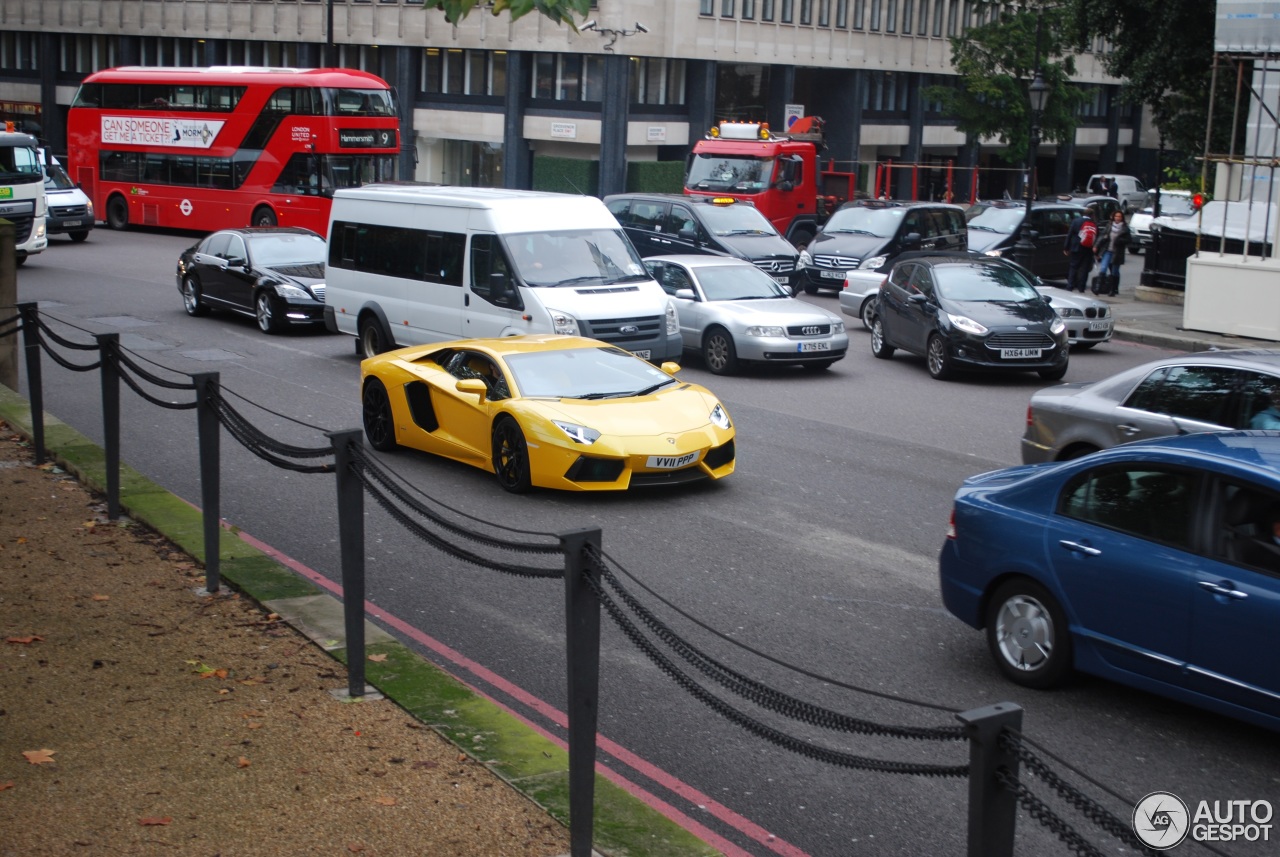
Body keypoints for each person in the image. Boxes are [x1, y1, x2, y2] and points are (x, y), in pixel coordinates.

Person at [1092, 209, 1130, 296]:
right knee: (1103, 268)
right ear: (1113, 217)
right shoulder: (1109, 226)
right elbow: (1102, 236)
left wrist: (1120, 240)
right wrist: (1096, 246)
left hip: (1117, 253)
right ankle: (1098, 288)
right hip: (1108, 250)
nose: (1117, 218)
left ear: (1122, 218)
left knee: (1114, 271)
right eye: (1116, 216)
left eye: (1119, 217)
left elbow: (1128, 240)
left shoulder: (1125, 228)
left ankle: (1113, 289)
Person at [1063, 205, 1098, 293]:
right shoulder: (1093, 224)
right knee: (1084, 268)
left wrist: (1066, 247)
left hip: (1076, 248)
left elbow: (1070, 234)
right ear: (1092, 215)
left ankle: (1070, 286)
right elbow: (1096, 236)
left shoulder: (1076, 221)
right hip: (1088, 249)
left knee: (1073, 267)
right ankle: (1081, 287)